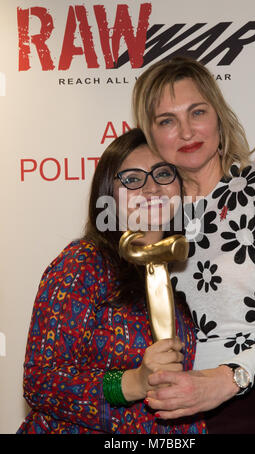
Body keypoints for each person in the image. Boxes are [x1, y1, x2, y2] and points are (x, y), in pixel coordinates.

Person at [132, 57, 255, 433]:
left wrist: (228, 380)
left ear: (219, 117)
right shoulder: (153, 216)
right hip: (175, 413)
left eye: (197, 112)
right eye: (167, 121)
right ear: (151, 135)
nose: (187, 131)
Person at [17, 128, 206, 434]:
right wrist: (134, 381)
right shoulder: (83, 263)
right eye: (132, 179)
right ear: (109, 194)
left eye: (163, 174)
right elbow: (40, 381)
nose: (151, 188)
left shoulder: (186, 272)